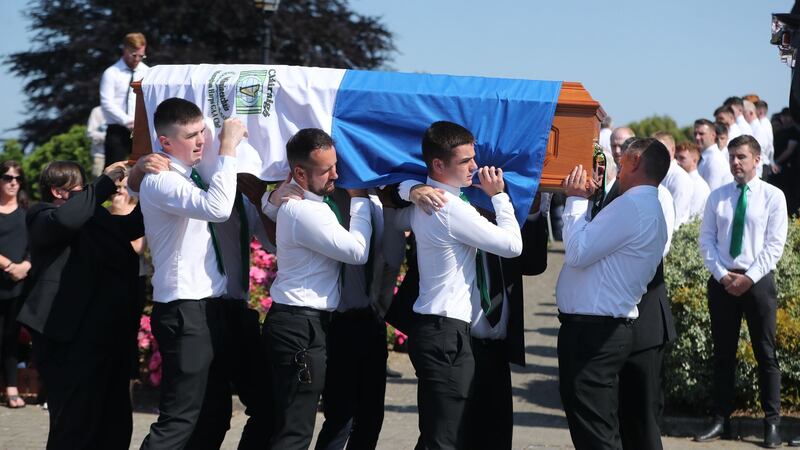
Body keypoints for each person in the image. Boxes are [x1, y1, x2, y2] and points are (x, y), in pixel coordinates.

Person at [402, 121, 522, 449]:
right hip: (446, 333)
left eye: (473, 158)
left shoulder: (430, 200)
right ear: (438, 165)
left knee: (439, 433)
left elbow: (398, 215)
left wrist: (410, 188)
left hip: (438, 330)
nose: (474, 167)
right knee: (445, 438)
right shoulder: (449, 207)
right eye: (465, 161)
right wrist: (499, 197)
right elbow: (512, 246)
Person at [138, 98, 246, 449]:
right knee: (179, 420)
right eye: (190, 136)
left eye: (203, 132)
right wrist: (227, 148)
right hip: (184, 309)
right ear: (165, 142)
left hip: (206, 307)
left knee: (214, 415)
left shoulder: (186, 174)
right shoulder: (162, 180)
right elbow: (218, 208)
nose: (201, 141)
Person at [17, 160, 142, 449]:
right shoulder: (41, 215)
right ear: (58, 191)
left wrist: (151, 183)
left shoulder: (94, 217)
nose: (87, 193)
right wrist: (105, 181)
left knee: (114, 421)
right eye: (80, 188)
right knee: (75, 424)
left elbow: (133, 226)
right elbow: (67, 220)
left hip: (108, 336)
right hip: (68, 340)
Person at [260, 128, 372, 450]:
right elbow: (357, 252)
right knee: (295, 431)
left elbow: (273, 208)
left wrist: (271, 199)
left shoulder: (304, 204)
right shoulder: (305, 210)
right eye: (326, 170)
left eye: (336, 165)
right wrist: (360, 199)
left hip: (302, 324)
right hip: (300, 326)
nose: (336, 174)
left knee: (292, 425)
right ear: (299, 173)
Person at [556, 138, 670, 450]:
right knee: (598, 430)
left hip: (594, 332)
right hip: (599, 330)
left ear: (636, 162)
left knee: (596, 436)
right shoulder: (643, 206)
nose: (617, 165)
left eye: (622, 160)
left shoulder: (632, 205)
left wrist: (575, 200)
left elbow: (577, 253)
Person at [695, 135, 788, 448]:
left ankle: (772, 423)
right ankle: (721, 420)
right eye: (732, 157)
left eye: (741, 157)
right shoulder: (717, 196)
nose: (735, 162)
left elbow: (774, 245)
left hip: (758, 282)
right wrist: (723, 276)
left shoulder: (773, 196)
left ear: (757, 159)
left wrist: (749, 278)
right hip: (723, 282)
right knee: (723, 354)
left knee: (766, 354)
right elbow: (706, 240)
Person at [599, 139, 676, 450]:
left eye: (625, 152)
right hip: (616, 321)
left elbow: (657, 248)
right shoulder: (614, 191)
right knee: (620, 417)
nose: (619, 155)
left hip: (644, 320)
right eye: (616, 148)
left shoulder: (656, 196)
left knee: (642, 420)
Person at [106, 176, 148, 403]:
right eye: (117, 187)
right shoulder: (104, 213)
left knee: (128, 334)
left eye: (124, 187)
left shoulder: (136, 213)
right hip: (108, 280)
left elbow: (138, 248)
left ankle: (128, 389)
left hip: (133, 280)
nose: (120, 191)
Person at [0, 161, 30, 409]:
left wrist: (25, 266)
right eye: (7, 177)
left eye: (18, 179)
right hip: (5, 275)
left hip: (19, 284)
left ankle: (11, 387)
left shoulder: (28, 211)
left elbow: (37, 244)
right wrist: (9, 265)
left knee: (11, 336)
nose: (13, 182)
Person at [100, 32, 149, 166]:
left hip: (141, 130)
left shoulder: (147, 72)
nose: (137, 59)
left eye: (141, 56)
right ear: (125, 50)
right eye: (134, 55)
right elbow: (106, 103)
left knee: (143, 168)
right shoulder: (111, 73)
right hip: (117, 129)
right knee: (114, 169)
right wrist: (128, 121)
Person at [653, 131, 692, 229]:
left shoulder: (680, 178)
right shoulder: (656, 174)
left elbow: (675, 217)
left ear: (673, 150)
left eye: (661, 149)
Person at [674, 142, 711, 219]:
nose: (677, 162)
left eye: (682, 158)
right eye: (676, 158)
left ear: (694, 161)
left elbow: (692, 217)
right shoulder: (680, 180)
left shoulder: (699, 186)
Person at [695, 119, 734, 191]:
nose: (697, 137)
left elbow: (711, 192)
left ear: (713, 135)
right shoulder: (707, 158)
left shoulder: (715, 160)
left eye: (701, 134)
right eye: (695, 134)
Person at [86, 106, 108, 177]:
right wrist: (111, 138)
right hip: (101, 156)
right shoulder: (98, 111)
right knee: (99, 181)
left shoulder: (126, 109)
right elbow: (90, 133)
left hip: (122, 156)